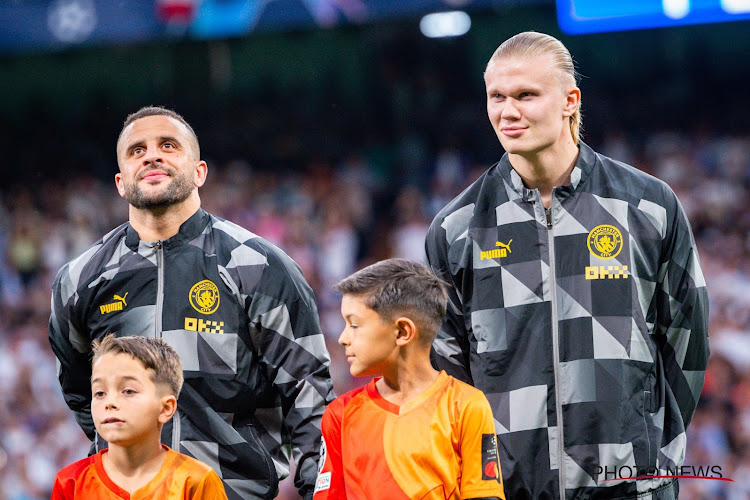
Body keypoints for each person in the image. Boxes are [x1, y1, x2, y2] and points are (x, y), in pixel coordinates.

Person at [425, 31, 709, 499]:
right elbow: (447, 373)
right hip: (509, 491)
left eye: (525, 96)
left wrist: (649, 451)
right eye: (496, 97)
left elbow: (688, 343)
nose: (507, 112)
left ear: (569, 101)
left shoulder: (648, 206)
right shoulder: (456, 229)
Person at [48, 106, 335, 500]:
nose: (151, 155)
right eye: (136, 150)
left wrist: (321, 493)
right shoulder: (82, 279)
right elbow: (80, 390)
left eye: (168, 145)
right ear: (120, 181)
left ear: (199, 171)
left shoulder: (259, 266)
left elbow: (309, 397)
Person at [314, 258, 505, 500]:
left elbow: (483, 494)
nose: (342, 338)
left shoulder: (467, 405)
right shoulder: (339, 415)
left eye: (354, 325)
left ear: (402, 332)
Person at [51, 335, 228, 499]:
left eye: (128, 391)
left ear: (166, 408)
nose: (110, 402)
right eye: (100, 393)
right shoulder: (71, 483)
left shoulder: (196, 481)